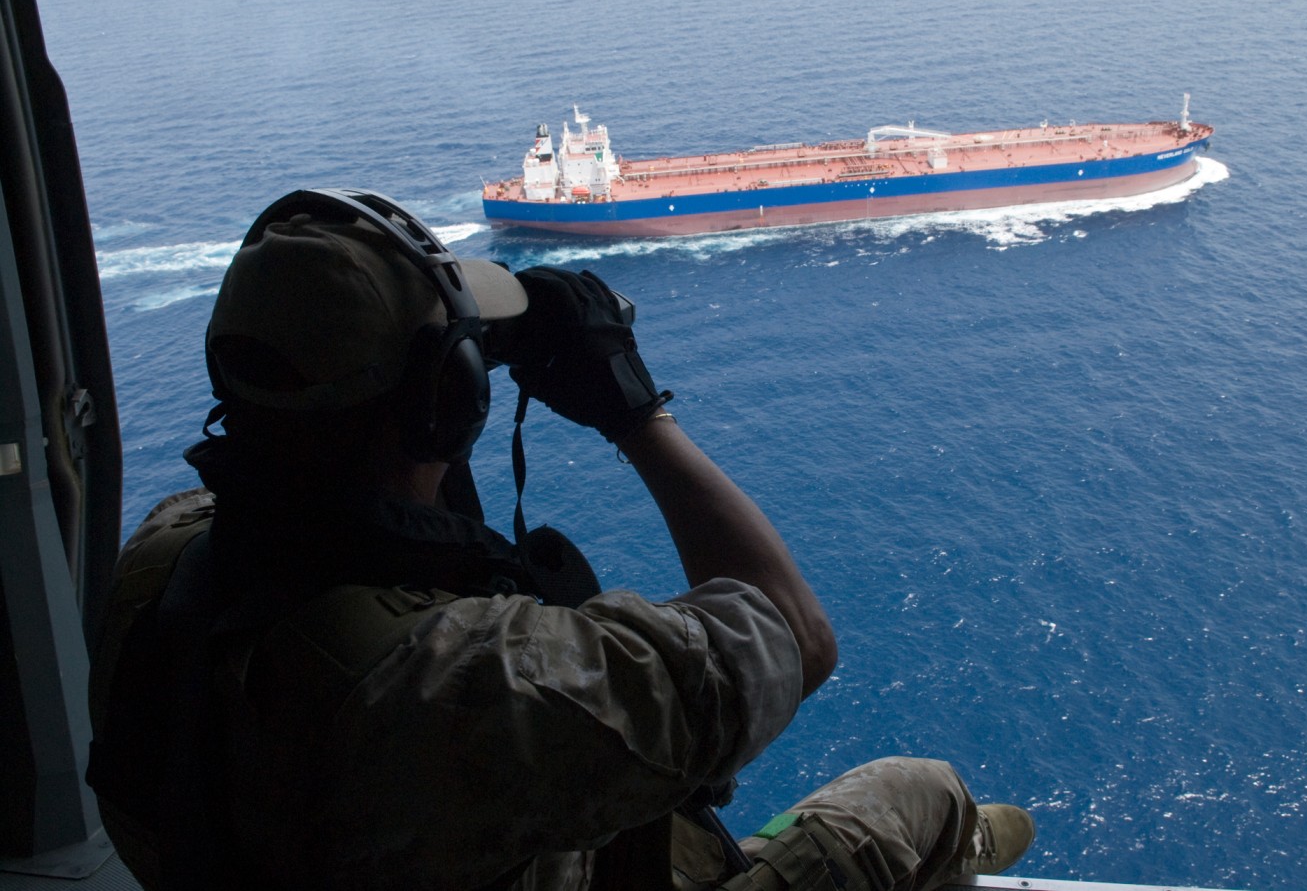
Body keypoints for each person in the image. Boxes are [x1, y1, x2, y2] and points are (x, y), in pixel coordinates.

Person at [87, 189, 1035, 891]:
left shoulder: (164, 557)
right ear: (442, 406)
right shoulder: (467, 685)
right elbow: (795, 632)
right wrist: (633, 411)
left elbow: (342, 513)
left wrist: (426, 408)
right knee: (923, 793)